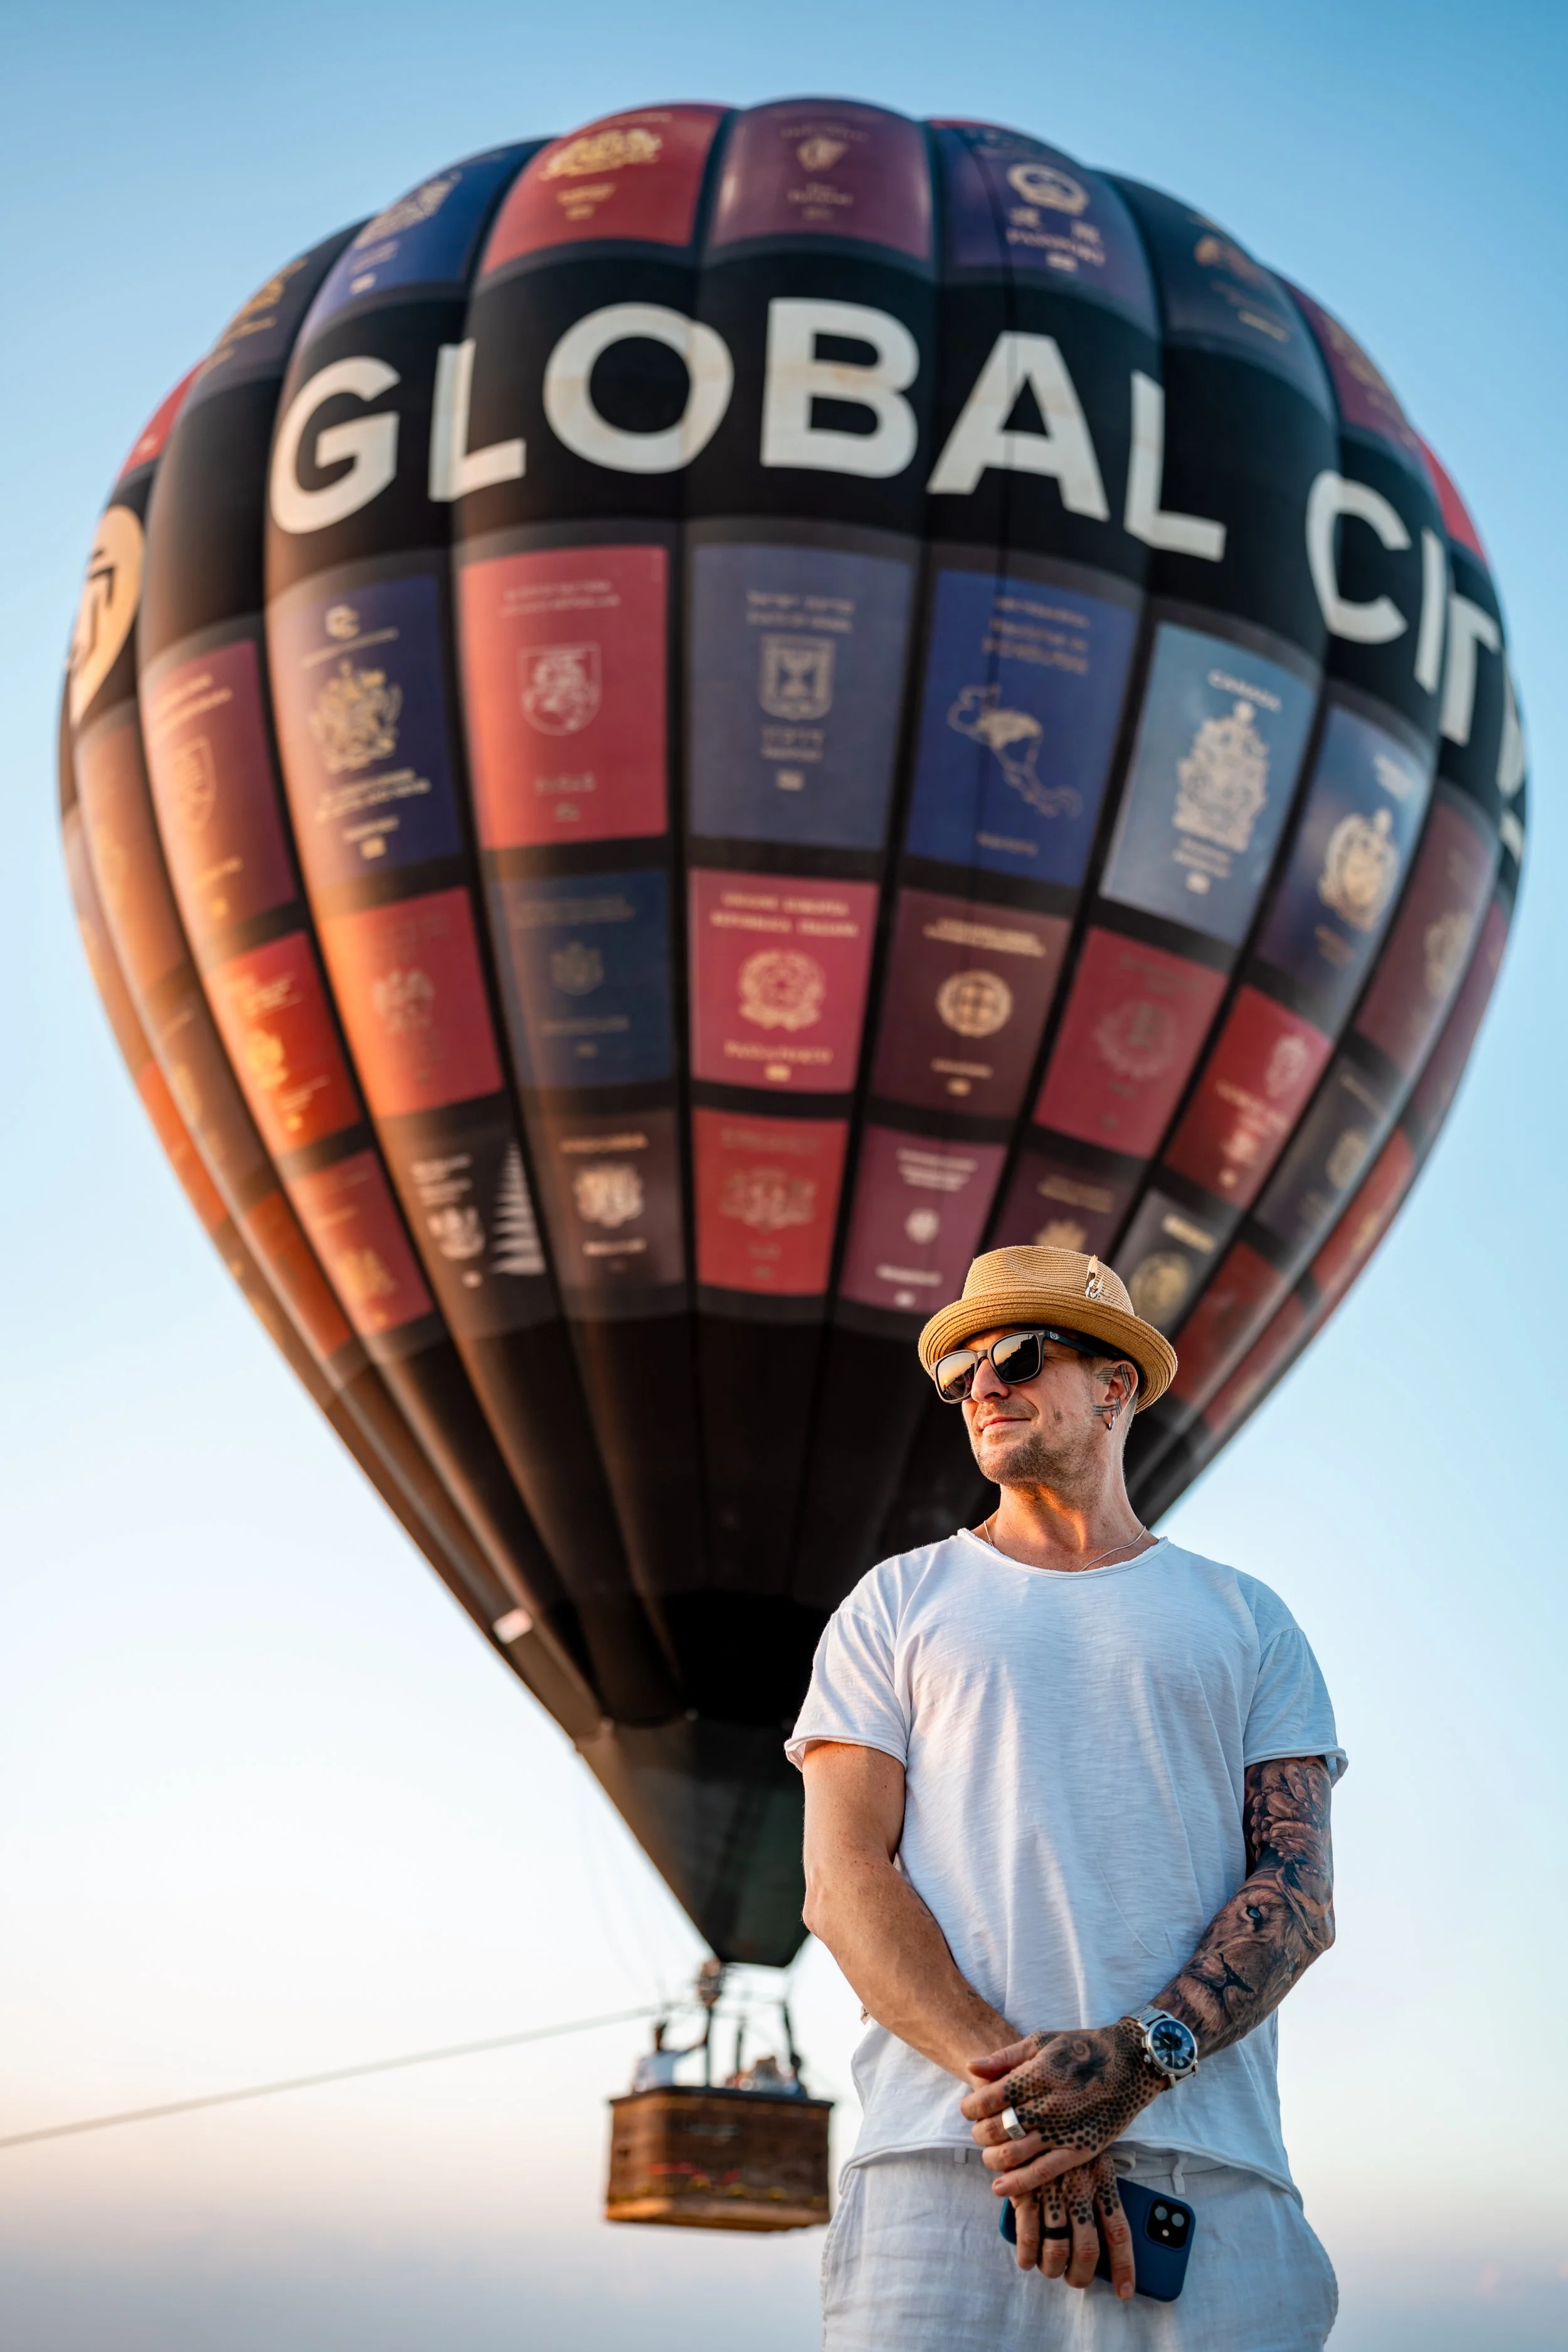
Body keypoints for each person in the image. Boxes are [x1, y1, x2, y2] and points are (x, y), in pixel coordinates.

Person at [788, 1245, 1343, 2351]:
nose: (982, 1387)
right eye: (961, 1375)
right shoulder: (893, 1603)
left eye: (1018, 1357)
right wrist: (1036, 2102)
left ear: (1115, 1384)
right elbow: (844, 1884)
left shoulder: (1249, 1618)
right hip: (943, 2177)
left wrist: (1138, 2063)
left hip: (1205, 2182)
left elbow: (1298, 1891)